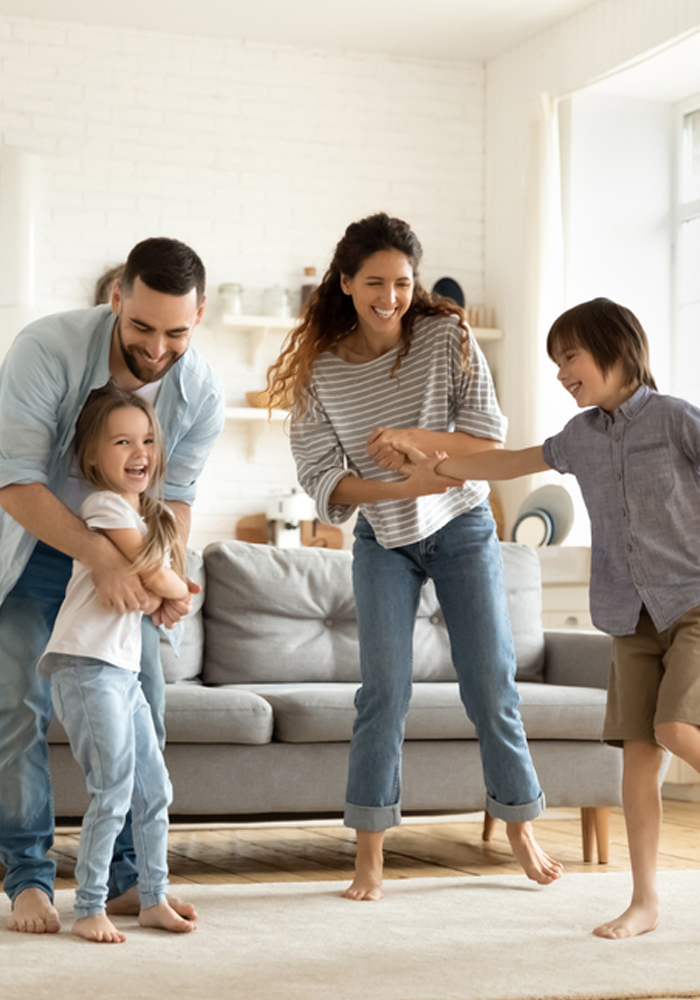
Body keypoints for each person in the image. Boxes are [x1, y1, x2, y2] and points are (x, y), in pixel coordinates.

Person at [267, 212, 562, 901]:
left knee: (490, 685)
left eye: (403, 282)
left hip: (461, 526)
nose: (391, 296)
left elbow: (487, 434)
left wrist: (408, 438)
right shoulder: (320, 371)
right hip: (384, 538)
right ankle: (369, 853)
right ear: (345, 283)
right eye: (375, 282)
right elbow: (320, 478)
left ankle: (520, 824)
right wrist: (402, 482)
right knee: (384, 694)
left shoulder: (446, 335)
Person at [391, 296, 700, 939]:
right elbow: (510, 462)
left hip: (693, 604)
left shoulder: (675, 421)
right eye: (556, 362)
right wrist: (440, 467)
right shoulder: (582, 438)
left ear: (617, 348)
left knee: (675, 727)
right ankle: (644, 902)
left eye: (570, 357)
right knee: (637, 760)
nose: (562, 373)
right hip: (628, 616)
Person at [0, 237, 225, 933]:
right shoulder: (46, 349)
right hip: (40, 542)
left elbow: (177, 499)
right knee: (17, 709)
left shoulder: (200, 391)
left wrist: (160, 576)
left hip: (128, 553)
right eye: (142, 327)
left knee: (145, 711)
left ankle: (131, 880)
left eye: (177, 332)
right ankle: (29, 880)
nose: (158, 348)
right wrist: (102, 558)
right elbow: (14, 480)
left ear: (200, 315)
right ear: (116, 298)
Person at [39, 386, 196, 943]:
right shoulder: (103, 505)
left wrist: (167, 590)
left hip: (122, 672)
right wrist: (173, 591)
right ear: (92, 457)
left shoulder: (143, 513)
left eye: (148, 440)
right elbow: (159, 576)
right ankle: (89, 906)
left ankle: (153, 896)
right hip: (85, 666)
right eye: (123, 441)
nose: (139, 451)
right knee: (114, 788)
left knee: (155, 790)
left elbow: (159, 582)